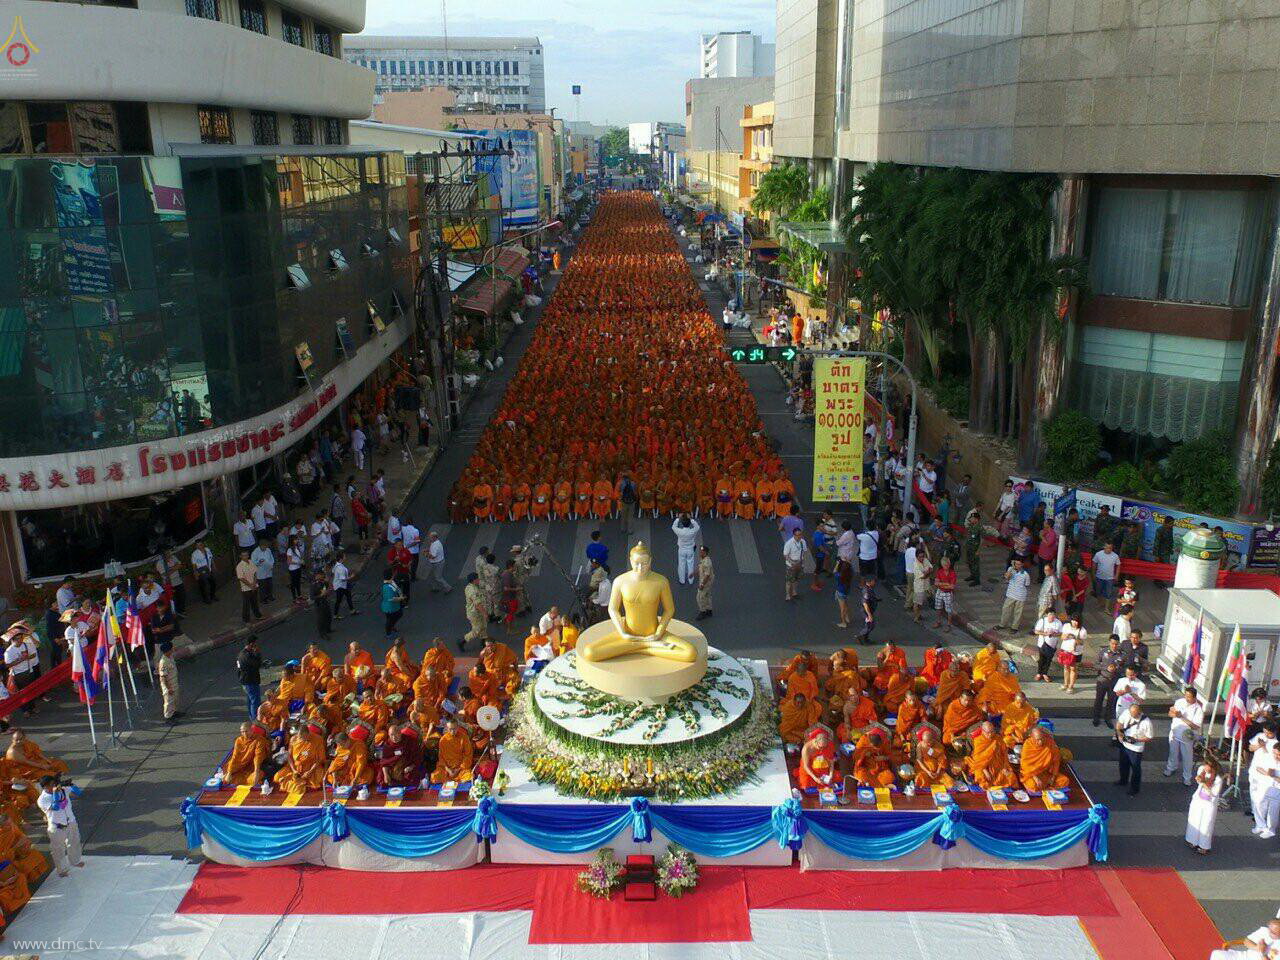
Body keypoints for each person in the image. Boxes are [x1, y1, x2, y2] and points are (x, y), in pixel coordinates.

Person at [37, 775, 84, 877]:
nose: (54, 786)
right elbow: (56, 807)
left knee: (74, 842)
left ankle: (75, 861)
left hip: (71, 822)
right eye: (51, 785)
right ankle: (62, 869)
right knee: (58, 850)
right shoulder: (42, 799)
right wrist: (55, 792)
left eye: (54, 783)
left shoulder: (62, 790)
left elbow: (79, 792)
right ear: (45, 787)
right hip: (57, 827)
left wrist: (71, 785)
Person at [1165, 686, 1204, 786]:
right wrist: (1174, 713)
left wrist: (1181, 717)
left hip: (1187, 736)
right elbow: (1170, 714)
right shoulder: (1179, 702)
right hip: (1174, 732)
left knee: (1187, 757)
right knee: (1173, 752)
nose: (1186, 698)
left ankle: (1187, 777)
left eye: (1189, 697)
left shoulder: (1198, 709)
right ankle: (1171, 768)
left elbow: (1195, 726)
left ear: (1194, 697)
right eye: (1186, 695)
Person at [1185, 757, 1224, 855]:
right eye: (1205, 765)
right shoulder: (1202, 770)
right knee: (1194, 820)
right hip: (1198, 799)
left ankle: (1204, 846)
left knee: (1206, 824)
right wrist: (1201, 780)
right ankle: (1193, 841)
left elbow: (1213, 793)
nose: (1205, 767)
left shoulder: (1218, 779)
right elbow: (1199, 779)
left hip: (1209, 803)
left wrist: (1204, 783)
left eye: (1207, 766)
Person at [1115, 701, 1153, 795]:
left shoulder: (1146, 722)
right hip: (1124, 744)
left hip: (1136, 749)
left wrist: (1137, 740)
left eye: (1134, 714)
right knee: (1123, 764)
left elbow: (1149, 737)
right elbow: (1119, 724)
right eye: (1131, 713)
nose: (1132, 715)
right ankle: (1123, 780)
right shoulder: (1126, 713)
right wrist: (1120, 734)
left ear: (1139, 712)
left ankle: (1134, 789)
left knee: (1135, 769)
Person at [1092, 635, 1124, 726]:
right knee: (1099, 700)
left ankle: (1108, 718)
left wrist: (1116, 669)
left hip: (1114, 681)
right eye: (1113, 643)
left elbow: (1124, 669)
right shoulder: (1103, 652)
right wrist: (1106, 668)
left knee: (1111, 701)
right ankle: (1096, 718)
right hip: (1102, 679)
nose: (1114, 646)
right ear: (1109, 642)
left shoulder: (1122, 654)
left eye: (1116, 644)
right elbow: (1096, 665)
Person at [1208, 919, 1280, 959]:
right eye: (1270, 929)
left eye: (1273, 932)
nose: (1270, 932)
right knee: (1217, 954)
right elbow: (1246, 941)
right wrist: (1256, 947)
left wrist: (1262, 953)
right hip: (1243, 957)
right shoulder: (1264, 931)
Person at [999, 558, 1030, 632]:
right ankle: (1002, 624)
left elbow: (1027, 584)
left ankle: (1014, 627)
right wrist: (1012, 567)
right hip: (1010, 594)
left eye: (1019, 564)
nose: (1017, 566)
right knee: (1005, 609)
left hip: (1020, 596)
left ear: (1022, 565)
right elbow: (1007, 577)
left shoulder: (1026, 574)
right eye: (1016, 564)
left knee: (1018, 612)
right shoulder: (1010, 569)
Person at [1057, 614, 1085, 694]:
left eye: (1076, 621)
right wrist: (1067, 636)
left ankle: (1071, 686)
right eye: (1073, 620)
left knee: (1073, 669)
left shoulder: (1082, 630)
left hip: (1076, 652)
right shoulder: (1066, 626)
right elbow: (1062, 637)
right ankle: (1065, 684)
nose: (1074, 622)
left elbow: (1082, 642)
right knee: (1066, 667)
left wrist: (1075, 638)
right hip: (1065, 650)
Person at [237, 636, 263, 720]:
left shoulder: (241, 654)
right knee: (255, 701)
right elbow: (257, 664)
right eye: (255, 643)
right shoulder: (247, 655)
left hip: (245, 680)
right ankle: (255, 719)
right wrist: (258, 654)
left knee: (250, 700)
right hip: (251, 681)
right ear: (252, 644)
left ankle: (251, 717)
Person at [1033, 609, 1061, 682]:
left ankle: (1045, 673)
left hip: (1052, 645)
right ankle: (1039, 673)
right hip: (1042, 644)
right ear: (1046, 615)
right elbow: (1036, 631)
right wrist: (1045, 633)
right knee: (1041, 659)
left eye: (1053, 615)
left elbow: (1061, 633)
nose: (1052, 616)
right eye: (1050, 614)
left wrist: (1053, 634)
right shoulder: (1042, 621)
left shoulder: (1058, 622)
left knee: (1048, 660)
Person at [672, 513, 700, 585]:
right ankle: (691, 580)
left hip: (681, 550)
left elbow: (673, 526)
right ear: (689, 523)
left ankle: (682, 580)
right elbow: (697, 526)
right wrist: (691, 519)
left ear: (682, 523)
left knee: (681, 565)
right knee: (690, 565)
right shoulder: (693, 531)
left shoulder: (679, 531)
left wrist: (678, 518)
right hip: (690, 549)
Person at [156, 641, 181, 722]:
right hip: (168, 684)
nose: (173, 649)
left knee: (175, 699)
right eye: (171, 648)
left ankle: (174, 712)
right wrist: (168, 688)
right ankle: (168, 717)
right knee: (169, 701)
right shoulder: (163, 662)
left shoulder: (170, 657)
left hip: (174, 682)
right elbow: (163, 677)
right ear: (168, 650)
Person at [782, 527, 809, 602]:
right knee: (789, 580)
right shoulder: (789, 543)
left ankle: (794, 592)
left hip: (799, 563)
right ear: (793, 535)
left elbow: (804, 551)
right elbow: (785, 555)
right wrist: (792, 562)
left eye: (800, 535)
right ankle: (787, 595)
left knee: (796, 579)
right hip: (791, 564)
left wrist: (802, 561)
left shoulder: (803, 542)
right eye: (797, 535)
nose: (799, 536)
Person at [1092, 540, 1120, 610]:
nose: (1109, 549)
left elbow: (1118, 565)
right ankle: (1100, 603)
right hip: (1099, 577)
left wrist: (1116, 575)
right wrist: (1093, 574)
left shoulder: (1115, 556)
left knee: (1109, 593)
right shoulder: (1098, 554)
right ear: (1104, 547)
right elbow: (1094, 564)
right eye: (1107, 547)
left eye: (1110, 548)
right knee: (1099, 592)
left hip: (1110, 578)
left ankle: (1106, 607)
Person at [236, 549, 263, 623]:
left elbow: (255, 573)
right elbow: (241, 578)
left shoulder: (251, 562)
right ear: (240, 556)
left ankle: (258, 615)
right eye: (244, 555)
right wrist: (250, 585)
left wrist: (254, 583)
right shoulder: (239, 566)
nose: (246, 557)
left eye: (247, 555)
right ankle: (246, 619)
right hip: (246, 588)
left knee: (255, 602)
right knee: (246, 604)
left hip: (254, 586)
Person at [932, 554, 956, 631]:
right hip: (940, 592)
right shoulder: (939, 572)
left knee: (949, 610)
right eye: (945, 565)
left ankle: (949, 625)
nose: (947, 566)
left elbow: (952, 587)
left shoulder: (952, 573)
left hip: (948, 593)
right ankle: (938, 621)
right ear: (942, 565)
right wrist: (946, 584)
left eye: (948, 564)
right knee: (938, 607)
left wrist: (941, 584)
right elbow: (936, 583)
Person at [381, 570, 406, 638]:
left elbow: (397, 589)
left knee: (394, 617)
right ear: (391, 576)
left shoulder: (390, 583)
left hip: (393, 606)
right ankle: (388, 633)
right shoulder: (388, 587)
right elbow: (391, 599)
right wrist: (401, 598)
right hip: (390, 607)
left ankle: (391, 627)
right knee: (391, 619)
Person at [311, 568, 332, 641]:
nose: (322, 575)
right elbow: (312, 597)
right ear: (316, 575)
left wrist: (327, 592)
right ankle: (322, 634)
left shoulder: (323, 582)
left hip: (325, 602)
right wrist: (321, 595)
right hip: (318, 604)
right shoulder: (313, 585)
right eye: (320, 574)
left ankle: (328, 629)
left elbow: (328, 586)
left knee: (328, 616)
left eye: (322, 574)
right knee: (321, 620)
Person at [332, 553, 355, 618]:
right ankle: (335, 614)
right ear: (341, 559)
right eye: (344, 556)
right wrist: (351, 577)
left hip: (342, 585)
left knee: (348, 596)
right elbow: (343, 579)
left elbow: (333, 572)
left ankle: (352, 610)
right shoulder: (340, 568)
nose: (345, 557)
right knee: (338, 600)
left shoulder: (337, 565)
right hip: (340, 586)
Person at [695, 546, 714, 620]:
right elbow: (700, 568)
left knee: (700, 596)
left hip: (706, 581)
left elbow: (707, 575)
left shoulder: (707, 562)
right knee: (707, 595)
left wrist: (702, 584)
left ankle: (702, 611)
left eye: (701, 552)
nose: (700, 553)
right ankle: (709, 610)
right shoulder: (703, 559)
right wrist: (693, 573)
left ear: (705, 553)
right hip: (707, 580)